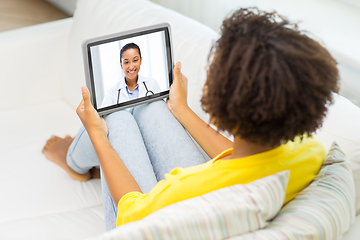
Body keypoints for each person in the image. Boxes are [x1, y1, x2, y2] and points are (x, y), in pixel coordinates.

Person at [42, 8, 339, 231]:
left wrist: (98, 136)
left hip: (149, 220)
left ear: (220, 103)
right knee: (152, 106)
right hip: (224, 183)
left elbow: (132, 214)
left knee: (116, 118)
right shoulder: (309, 150)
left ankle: (75, 161)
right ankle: (83, 159)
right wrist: (182, 109)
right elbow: (242, 156)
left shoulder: (185, 188)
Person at [100, 42, 161, 108]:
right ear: (121, 65)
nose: (131, 67)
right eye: (126, 62)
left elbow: (161, 109)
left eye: (135, 60)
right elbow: (101, 117)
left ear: (140, 60)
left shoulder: (152, 84)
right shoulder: (112, 93)